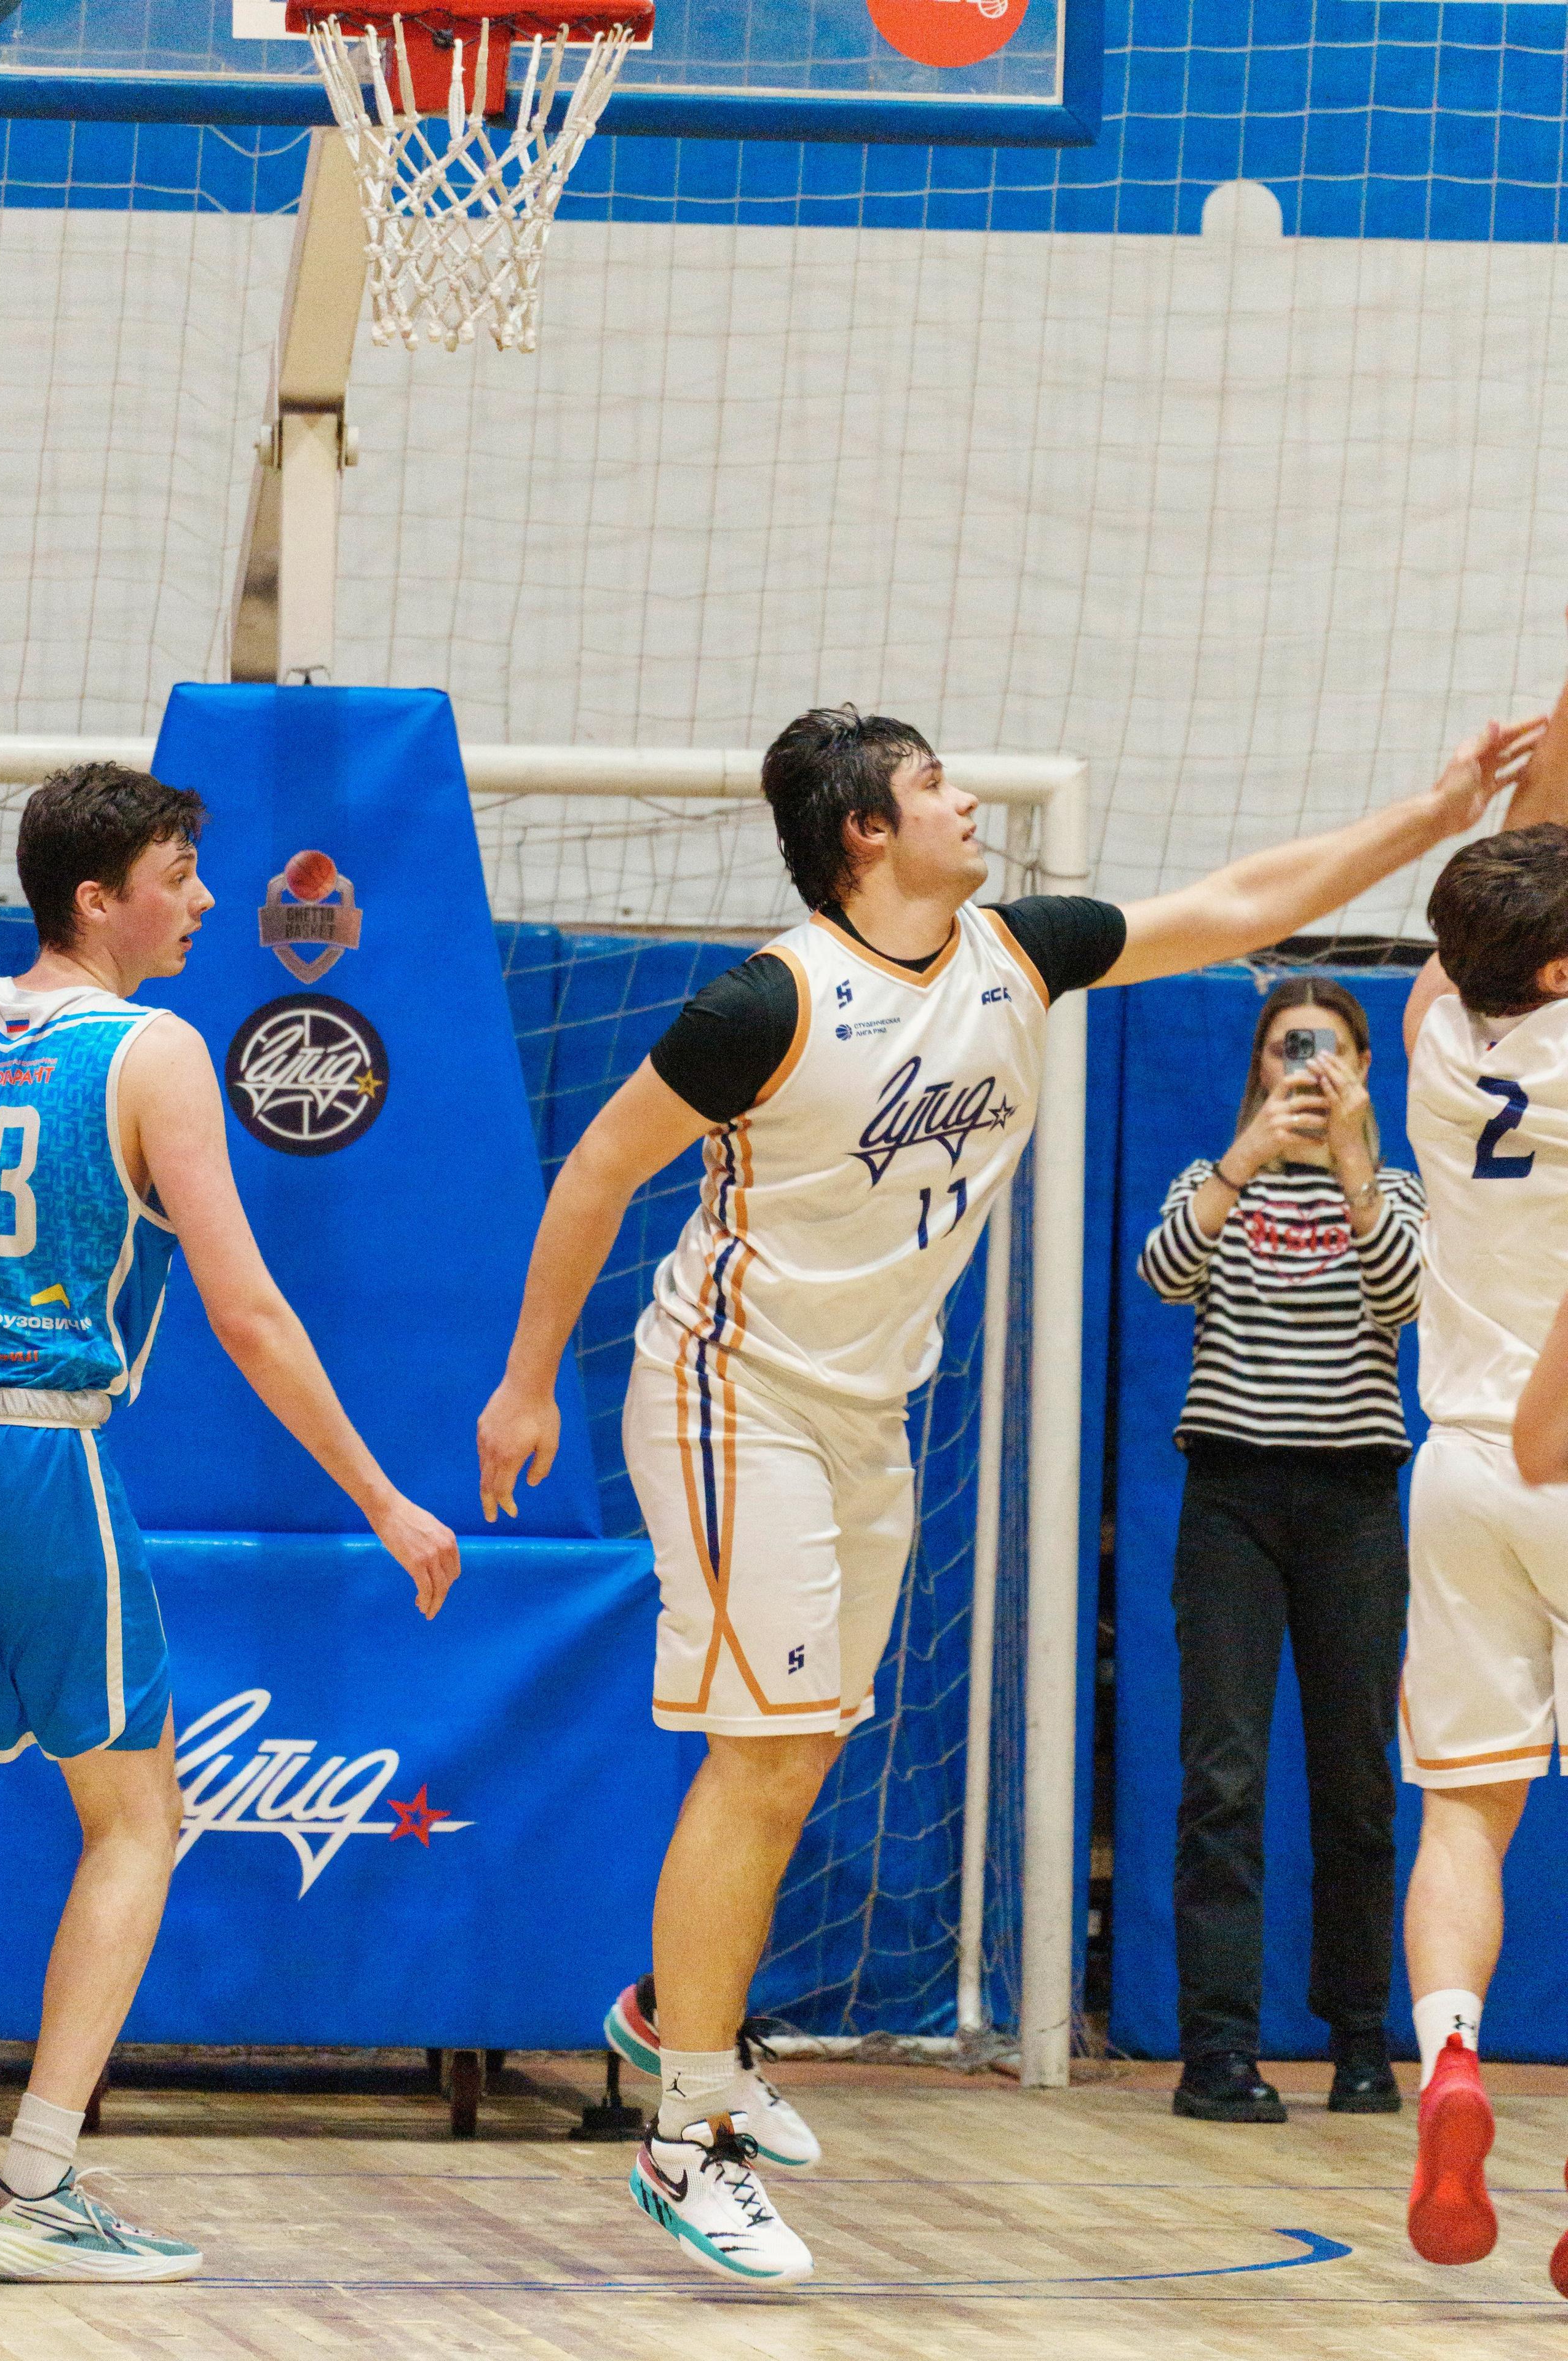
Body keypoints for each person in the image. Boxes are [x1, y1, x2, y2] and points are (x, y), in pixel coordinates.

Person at [477, 702, 1540, 2288]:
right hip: (732, 1394)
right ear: (863, 832)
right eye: (931, 784)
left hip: (870, 1412)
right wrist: (519, 1382)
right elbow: (597, 1170)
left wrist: (1433, 810)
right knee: (763, 1757)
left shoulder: (1015, 952)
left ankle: (667, 2000)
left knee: (810, 1739)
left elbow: (1243, 904)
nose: (967, 798)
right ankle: (684, 2123)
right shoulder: (766, 999)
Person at [0, 764, 459, 2285]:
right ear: (96, 898)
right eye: (181, 873)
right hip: (38, 1451)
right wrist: (383, 1495)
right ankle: (40, 2183)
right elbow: (249, 1313)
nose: (203, 901)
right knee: (138, 1821)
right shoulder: (152, 1048)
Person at [1139, 977, 1424, 2125]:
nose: (1304, 1067)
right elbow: (1167, 1273)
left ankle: (1361, 2039)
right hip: (1234, 1499)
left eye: (1328, 1050)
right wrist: (1245, 1158)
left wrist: (1354, 1160)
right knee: (1224, 1780)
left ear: (1363, 1066)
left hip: (1354, 1501)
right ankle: (1217, 2052)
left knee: (1356, 1784)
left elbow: (1404, 1297)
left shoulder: (1396, 1191)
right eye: (1284, 1048)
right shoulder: (1213, 1185)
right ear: (1256, 1065)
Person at [1395, 658, 1568, 2287]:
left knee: (1465, 1814)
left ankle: (1448, 2054)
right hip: (1566, 1444)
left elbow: (1505, 894)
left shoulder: (1435, 1035)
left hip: (1455, 1467)